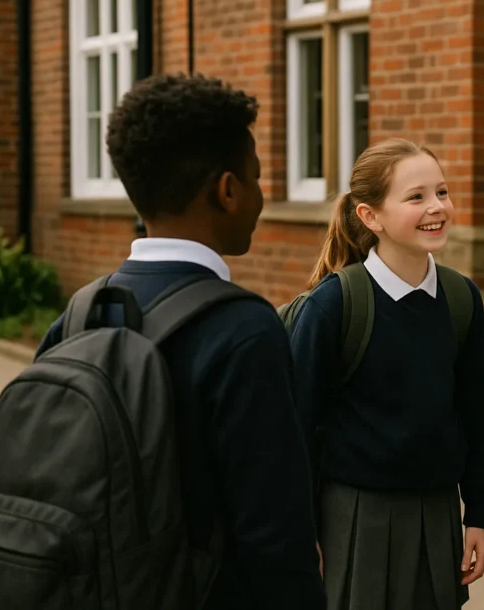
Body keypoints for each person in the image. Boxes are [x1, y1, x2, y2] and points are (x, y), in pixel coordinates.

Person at [36, 73, 326, 609]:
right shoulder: (244, 331)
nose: (262, 196)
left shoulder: (78, 315)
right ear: (228, 190)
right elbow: (274, 539)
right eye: (257, 178)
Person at [287, 138, 484, 610]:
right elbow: (296, 430)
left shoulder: (462, 300)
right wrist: (302, 533)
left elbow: (476, 419)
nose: (436, 207)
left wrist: (478, 515)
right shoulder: (333, 305)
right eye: (416, 197)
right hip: (354, 517)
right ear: (369, 217)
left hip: (438, 514)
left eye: (441, 192)